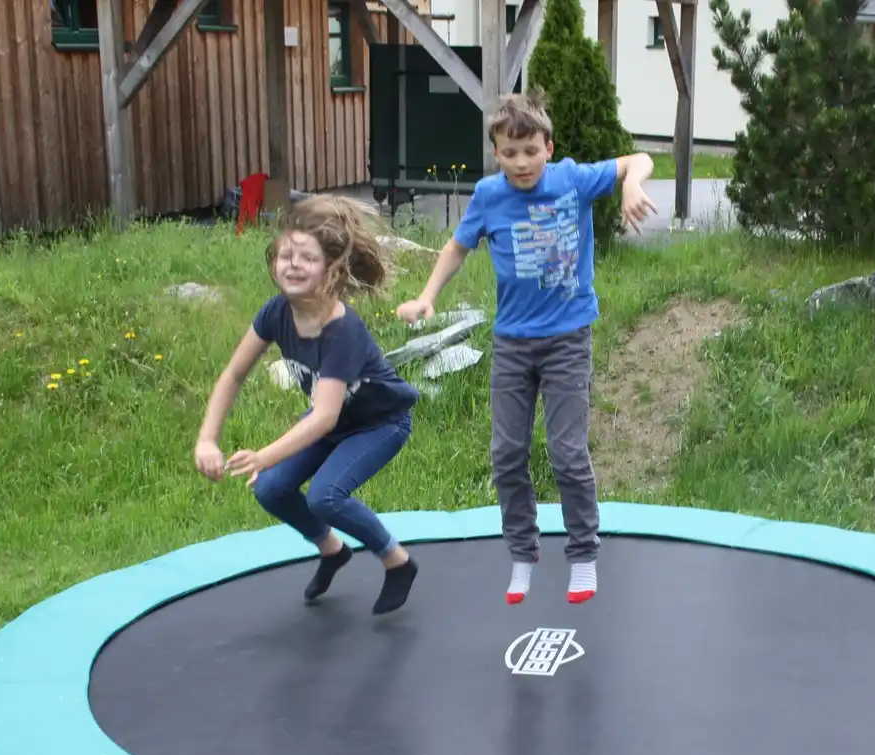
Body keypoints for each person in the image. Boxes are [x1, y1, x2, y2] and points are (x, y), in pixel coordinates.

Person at [396, 90, 657, 606]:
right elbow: (456, 248)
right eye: (509, 153)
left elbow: (640, 157)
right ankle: (522, 552)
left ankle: (582, 554)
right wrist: (427, 296)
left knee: (566, 452)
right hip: (513, 344)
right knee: (507, 453)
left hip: (567, 340)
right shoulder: (489, 196)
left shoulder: (571, 179)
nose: (521, 163)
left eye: (530, 150)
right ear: (496, 153)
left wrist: (632, 184)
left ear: (548, 146)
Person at [194, 194, 421, 613]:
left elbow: (324, 417)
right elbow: (232, 375)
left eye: (307, 258)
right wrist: (208, 439)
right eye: (286, 256)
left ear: (332, 270)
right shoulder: (275, 313)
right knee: (272, 489)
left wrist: (264, 454)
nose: (293, 265)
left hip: (379, 424)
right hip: (331, 422)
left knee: (325, 496)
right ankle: (332, 550)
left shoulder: (342, 331)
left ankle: (397, 561)